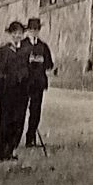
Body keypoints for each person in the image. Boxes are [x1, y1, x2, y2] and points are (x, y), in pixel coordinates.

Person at [0, 22, 34, 161]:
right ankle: (1, 152)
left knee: (19, 121)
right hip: (7, 92)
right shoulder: (1, 52)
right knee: (6, 121)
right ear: (10, 34)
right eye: (14, 33)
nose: (17, 36)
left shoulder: (26, 52)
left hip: (22, 93)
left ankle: (11, 149)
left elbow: (31, 71)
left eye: (20, 33)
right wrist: (3, 77)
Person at [22, 17, 56, 147]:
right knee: (21, 111)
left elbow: (50, 64)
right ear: (28, 31)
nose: (34, 32)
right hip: (24, 83)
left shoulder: (43, 46)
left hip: (38, 83)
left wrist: (42, 61)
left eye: (36, 29)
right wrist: (28, 61)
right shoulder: (23, 45)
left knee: (35, 111)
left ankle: (30, 138)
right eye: (32, 29)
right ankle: (15, 136)